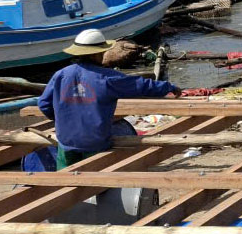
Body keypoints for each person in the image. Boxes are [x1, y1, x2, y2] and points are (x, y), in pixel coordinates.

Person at [37, 29, 181, 170]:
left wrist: (63, 122)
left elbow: (43, 104)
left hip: (66, 141)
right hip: (95, 142)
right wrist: (168, 87)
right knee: (95, 183)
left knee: (65, 182)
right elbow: (139, 85)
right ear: (96, 54)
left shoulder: (61, 74)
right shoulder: (107, 77)